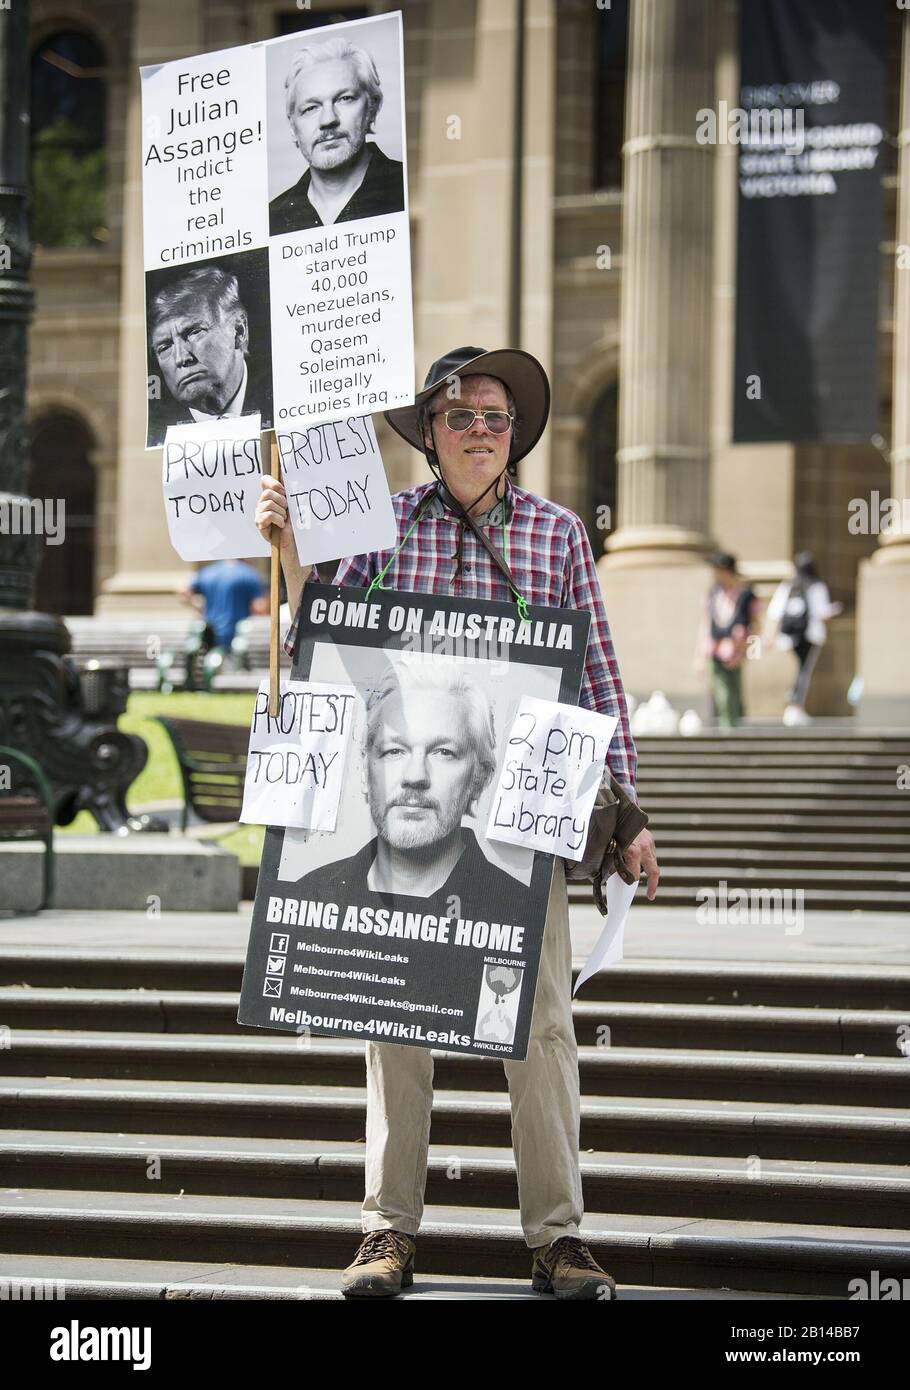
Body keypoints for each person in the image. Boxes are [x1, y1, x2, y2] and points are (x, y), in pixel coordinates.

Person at [256, 345, 659, 1301]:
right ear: (430, 434)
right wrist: (288, 554)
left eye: (497, 417)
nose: (482, 430)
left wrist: (630, 809)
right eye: (462, 415)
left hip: (526, 814)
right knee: (394, 1018)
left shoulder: (560, 536)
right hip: (406, 808)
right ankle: (386, 1234)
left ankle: (558, 1239)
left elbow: (599, 680)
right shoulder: (384, 525)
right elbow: (329, 643)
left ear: (514, 436)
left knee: (544, 1028)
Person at [295, 662, 531, 920]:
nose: (415, 776)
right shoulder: (306, 898)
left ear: (479, 778)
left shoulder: (521, 914)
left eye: (444, 752)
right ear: (365, 769)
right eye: (394, 751)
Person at [269, 35, 405, 235]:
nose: (327, 120)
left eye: (344, 99)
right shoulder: (271, 219)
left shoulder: (404, 190)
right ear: (292, 128)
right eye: (310, 108)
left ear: (372, 108)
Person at [147, 266, 272, 444]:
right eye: (164, 346)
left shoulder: (280, 396)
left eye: (194, 332)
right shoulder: (157, 437)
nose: (181, 358)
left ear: (239, 330)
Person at [766, 551, 842, 726]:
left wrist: (770, 636)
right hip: (810, 636)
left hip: (789, 637)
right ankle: (794, 706)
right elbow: (823, 612)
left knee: (800, 669)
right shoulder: (817, 586)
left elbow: (775, 612)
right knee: (804, 671)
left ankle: (794, 703)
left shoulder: (788, 586)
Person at [697, 552, 760, 730]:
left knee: (735, 694)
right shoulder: (713, 594)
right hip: (715, 650)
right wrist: (700, 656)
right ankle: (728, 732)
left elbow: (757, 626)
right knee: (723, 694)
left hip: (737, 651)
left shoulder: (746, 596)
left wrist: (750, 651)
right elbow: (705, 626)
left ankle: (735, 730)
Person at [178, 558, 268, 651]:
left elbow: (183, 590)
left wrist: (199, 609)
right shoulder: (249, 574)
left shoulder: (208, 572)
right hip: (238, 635)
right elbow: (259, 607)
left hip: (211, 634)